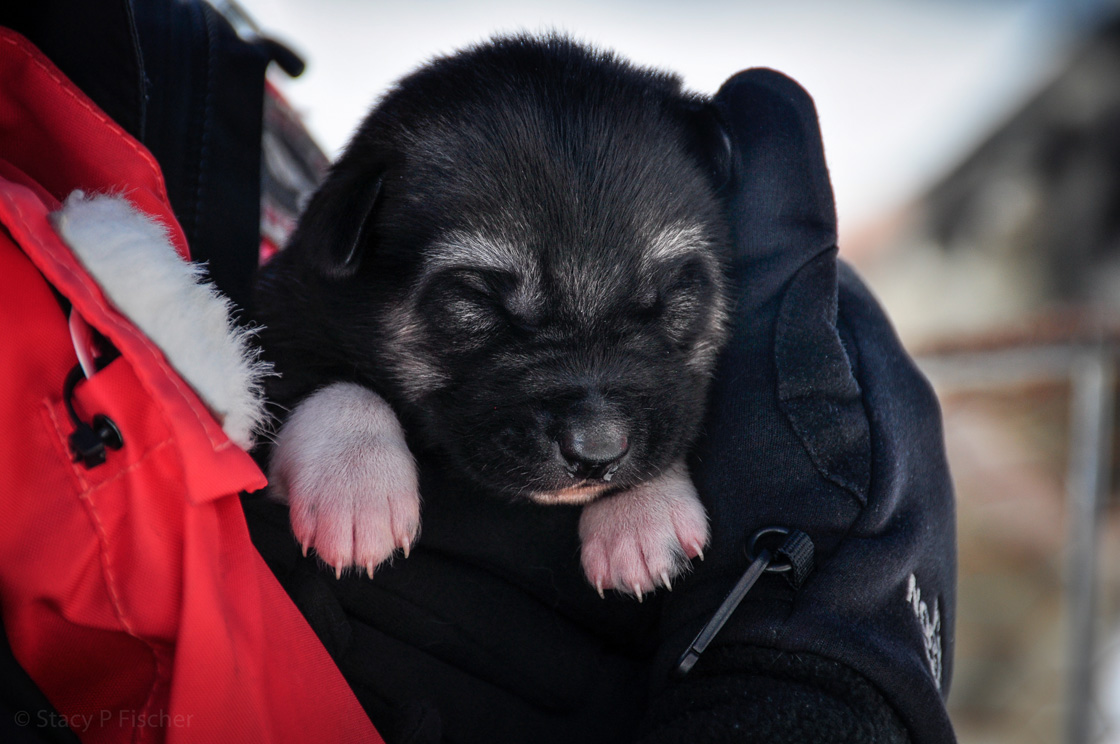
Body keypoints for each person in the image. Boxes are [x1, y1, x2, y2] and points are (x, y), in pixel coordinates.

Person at [1, 2, 957, 742]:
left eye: (665, 309)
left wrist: (817, 681)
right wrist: (337, 416)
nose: (601, 434)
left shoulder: (176, 66)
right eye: (478, 308)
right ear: (352, 243)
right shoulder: (325, 266)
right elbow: (281, 340)